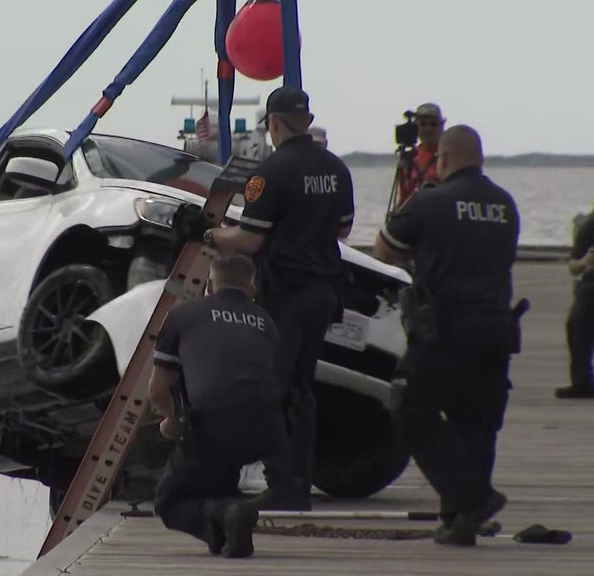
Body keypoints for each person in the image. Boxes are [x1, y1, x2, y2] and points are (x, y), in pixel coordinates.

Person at [175, 85, 355, 511]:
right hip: (325, 290)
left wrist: (203, 232)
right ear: (306, 120)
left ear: (274, 123)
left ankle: (284, 483)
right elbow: (343, 230)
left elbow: (250, 239)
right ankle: (302, 479)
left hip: (286, 294)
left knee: (272, 387)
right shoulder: (336, 169)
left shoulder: (269, 173)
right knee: (304, 388)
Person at [373, 125, 519, 546]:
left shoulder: (432, 201)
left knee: (409, 408)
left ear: (445, 159)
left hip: (445, 327)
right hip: (497, 327)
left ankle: (473, 497)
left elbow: (386, 248)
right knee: (476, 420)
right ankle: (460, 519)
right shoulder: (505, 205)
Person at [149, 253, 290, 558]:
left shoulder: (182, 316)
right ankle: (228, 530)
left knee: (169, 501)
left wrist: (172, 420)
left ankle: (227, 515)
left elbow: (157, 389)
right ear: (252, 289)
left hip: (215, 425)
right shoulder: (266, 322)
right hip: (269, 429)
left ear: (210, 285)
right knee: (219, 472)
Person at [558, 206, 594, 398]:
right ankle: (581, 382)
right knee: (577, 324)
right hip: (591, 286)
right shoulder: (589, 226)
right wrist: (587, 261)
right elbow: (574, 268)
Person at [396, 103, 446, 209]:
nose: (428, 129)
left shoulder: (451, 158)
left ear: (442, 126)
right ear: (415, 127)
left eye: (433, 124)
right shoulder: (408, 160)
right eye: (423, 124)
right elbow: (403, 198)